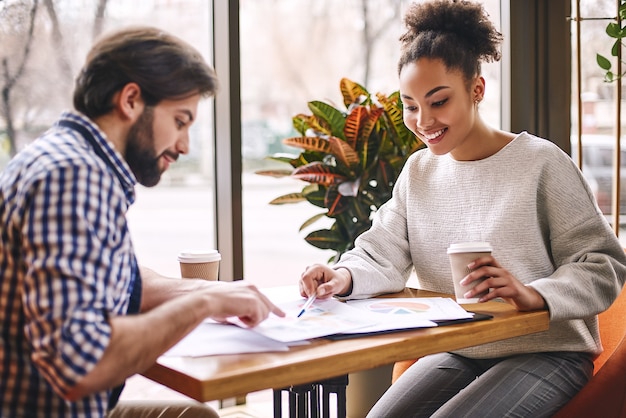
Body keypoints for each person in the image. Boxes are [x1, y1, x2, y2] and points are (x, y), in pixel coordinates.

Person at [299, 1, 626, 417]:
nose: (422, 120)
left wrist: (532, 294)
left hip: (547, 354)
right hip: (461, 349)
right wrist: (341, 276)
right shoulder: (419, 170)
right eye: (411, 105)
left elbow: (603, 265)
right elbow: (381, 251)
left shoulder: (542, 163)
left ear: (477, 90)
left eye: (438, 101)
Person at [0, 26, 284, 417]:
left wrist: (211, 293)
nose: (184, 145)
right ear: (131, 100)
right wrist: (202, 302)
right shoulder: (74, 178)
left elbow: (121, 278)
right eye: (181, 121)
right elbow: (81, 364)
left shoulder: (61, 157)